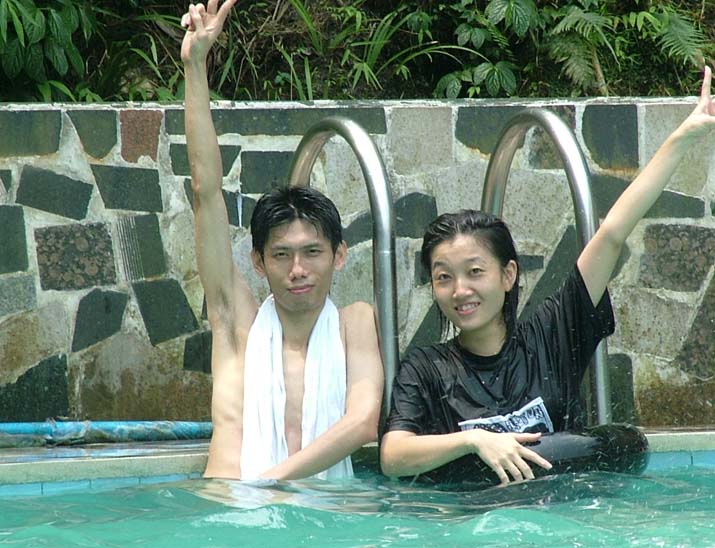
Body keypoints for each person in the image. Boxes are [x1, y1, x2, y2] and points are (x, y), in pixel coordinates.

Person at [381, 66, 715, 485]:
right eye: (443, 277)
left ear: (508, 275)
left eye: (475, 272)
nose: (460, 290)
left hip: (562, 507)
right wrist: (474, 441)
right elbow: (392, 456)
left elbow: (612, 234)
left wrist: (682, 138)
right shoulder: (427, 368)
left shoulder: (551, 337)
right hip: (475, 512)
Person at [181, 0, 384, 480]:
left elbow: (363, 422)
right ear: (259, 262)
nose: (298, 269)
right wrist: (195, 68)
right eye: (281, 255)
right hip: (233, 507)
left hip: (317, 509)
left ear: (338, 256)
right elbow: (205, 190)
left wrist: (270, 483)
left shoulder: (354, 324)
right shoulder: (237, 326)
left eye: (312, 252)